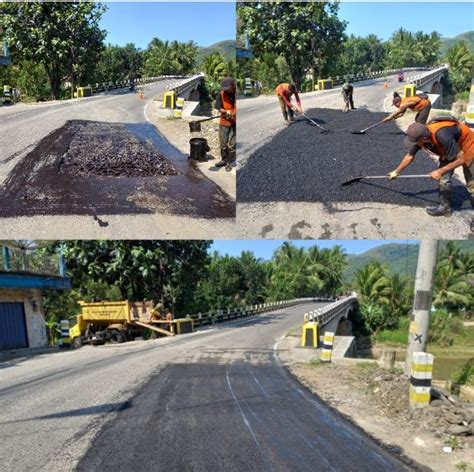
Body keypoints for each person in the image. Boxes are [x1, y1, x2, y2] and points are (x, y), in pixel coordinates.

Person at [388, 116, 474, 221]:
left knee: (472, 186)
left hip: (469, 148)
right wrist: (397, 171)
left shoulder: (442, 136)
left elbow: (460, 159)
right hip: (449, 150)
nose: (415, 144)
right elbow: (410, 155)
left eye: (416, 142)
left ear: (423, 139)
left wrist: (439, 171)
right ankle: (445, 208)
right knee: (444, 180)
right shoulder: (422, 134)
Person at [214, 76, 236, 171]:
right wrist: (226, 111)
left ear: (233, 86)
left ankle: (230, 162)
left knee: (232, 144)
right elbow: (218, 107)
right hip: (224, 121)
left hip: (235, 122)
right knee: (223, 143)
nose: (227, 90)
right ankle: (224, 159)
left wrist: (233, 113)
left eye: (228, 88)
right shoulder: (221, 94)